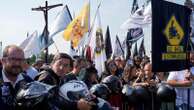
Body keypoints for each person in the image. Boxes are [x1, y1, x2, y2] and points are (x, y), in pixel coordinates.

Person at [0, 45, 33, 110]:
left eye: (21, 60)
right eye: (13, 59)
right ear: (3, 61)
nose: (17, 63)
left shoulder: (29, 81)